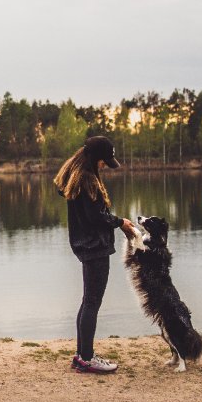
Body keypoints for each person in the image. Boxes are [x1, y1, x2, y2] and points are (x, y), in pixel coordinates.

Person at [54, 135, 135, 374]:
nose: (105, 166)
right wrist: (120, 222)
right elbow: (95, 216)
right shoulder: (87, 180)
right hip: (94, 246)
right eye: (104, 161)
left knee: (87, 301)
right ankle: (87, 359)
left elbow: (92, 214)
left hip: (86, 245)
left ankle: (82, 356)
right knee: (92, 302)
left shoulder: (77, 176)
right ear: (95, 158)